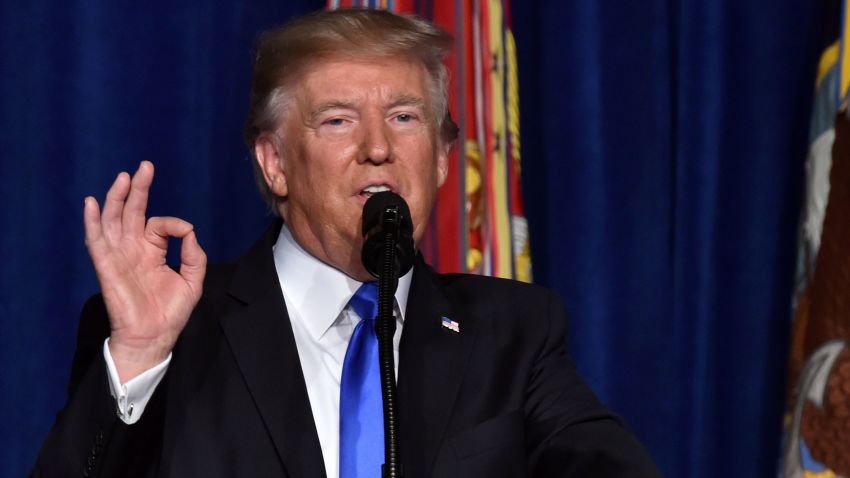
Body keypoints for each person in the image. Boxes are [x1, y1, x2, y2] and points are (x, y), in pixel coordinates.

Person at [32, 8, 660, 478]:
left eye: (405, 117)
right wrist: (141, 356)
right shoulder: (178, 330)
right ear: (274, 162)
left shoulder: (514, 332)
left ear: (443, 159)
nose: (378, 147)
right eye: (337, 119)